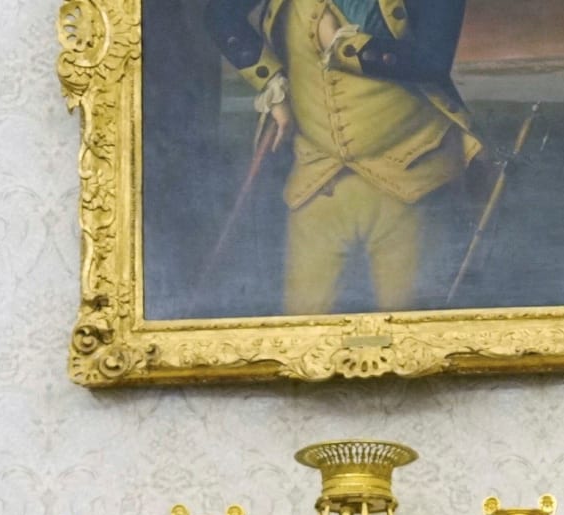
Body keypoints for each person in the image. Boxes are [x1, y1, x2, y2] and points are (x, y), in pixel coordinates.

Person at [204, 0, 480, 315]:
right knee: (305, 328)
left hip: (412, 170)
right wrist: (272, 83)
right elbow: (220, 14)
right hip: (315, 178)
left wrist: (344, 46)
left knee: (408, 322)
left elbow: (432, 60)